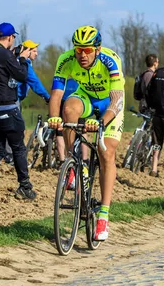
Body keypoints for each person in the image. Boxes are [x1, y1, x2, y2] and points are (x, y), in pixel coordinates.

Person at [47, 25, 125, 241]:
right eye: (78, 49)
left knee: (106, 152)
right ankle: (74, 163)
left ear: (97, 49)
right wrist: (54, 117)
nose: (82, 55)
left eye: (87, 50)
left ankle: (103, 215)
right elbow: (56, 93)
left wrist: (101, 122)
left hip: (109, 103)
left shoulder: (110, 61)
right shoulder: (66, 59)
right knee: (68, 109)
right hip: (86, 97)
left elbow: (117, 99)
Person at [0, 22, 36, 199]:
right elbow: (22, 75)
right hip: (8, 109)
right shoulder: (5, 56)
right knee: (18, 149)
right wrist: (24, 59)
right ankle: (25, 187)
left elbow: (0, 69)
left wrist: (13, 56)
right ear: (10, 37)